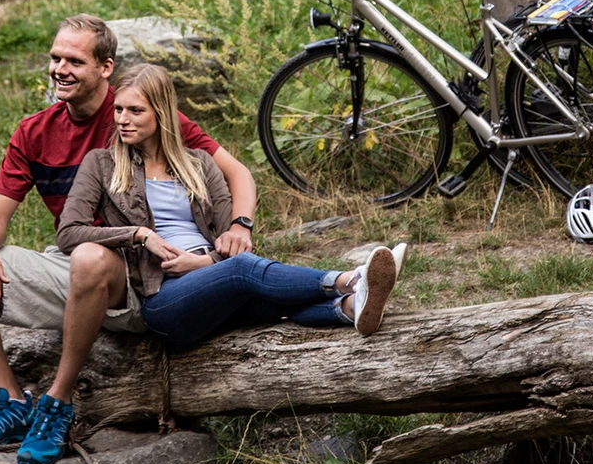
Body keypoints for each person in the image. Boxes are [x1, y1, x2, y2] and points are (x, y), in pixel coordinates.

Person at [0, 14, 256, 464]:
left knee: (86, 256)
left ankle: (57, 405)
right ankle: (10, 401)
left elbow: (237, 171)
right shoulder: (34, 132)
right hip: (78, 259)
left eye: (74, 61)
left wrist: (240, 226)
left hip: (142, 273)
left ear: (105, 67)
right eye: (55, 58)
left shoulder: (136, 111)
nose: (59, 69)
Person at [57, 62, 402, 405]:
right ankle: (349, 279)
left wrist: (203, 262)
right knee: (243, 269)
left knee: (268, 296)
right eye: (119, 109)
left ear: (161, 112)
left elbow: (230, 238)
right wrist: (138, 234)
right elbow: (68, 233)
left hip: (210, 274)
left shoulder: (199, 164)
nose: (122, 119)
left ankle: (350, 307)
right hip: (164, 299)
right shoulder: (101, 164)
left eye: (135, 110)